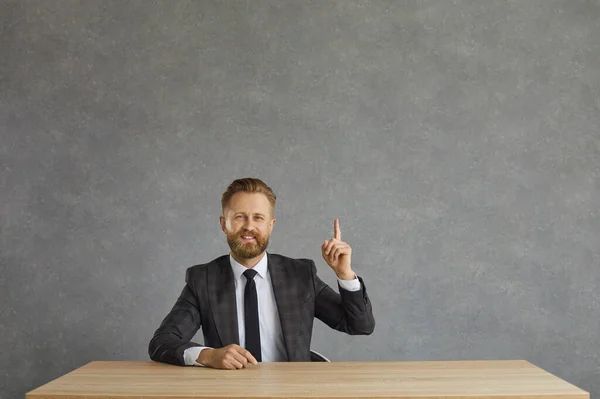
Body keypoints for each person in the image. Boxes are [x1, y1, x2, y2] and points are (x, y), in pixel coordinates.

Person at [148, 178, 375, 369]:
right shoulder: (203, 280)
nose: (249, 226)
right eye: (239, 217)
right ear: (223, 224)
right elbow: (162, 342)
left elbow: (360, 325)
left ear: (270, 225)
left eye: (258, 218)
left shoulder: (300, 275)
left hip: (293, 392)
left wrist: (345, 274)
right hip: (230, 394)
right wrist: (208, 356)